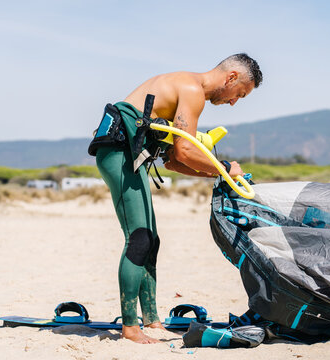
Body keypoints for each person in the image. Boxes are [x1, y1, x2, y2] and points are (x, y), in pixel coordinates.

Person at [89, 53, 262, 343]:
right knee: (139, 238)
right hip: (118, 154)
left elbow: (174, 162)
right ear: (231, 77)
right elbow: (184, 151)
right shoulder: (193, 90)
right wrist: (227, 167)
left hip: (128, 156)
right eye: (239, 94)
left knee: (152, 240)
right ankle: (130, 328)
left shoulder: (188, 91)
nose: (234, 102)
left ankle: (152, 321)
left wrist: (220, 175)